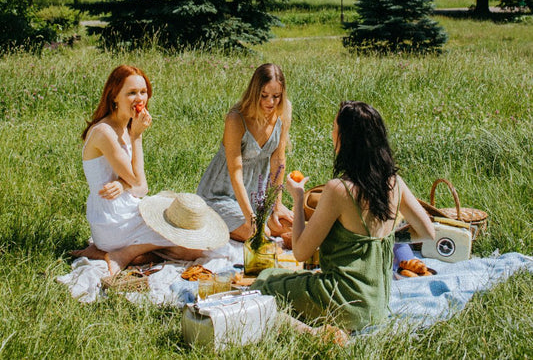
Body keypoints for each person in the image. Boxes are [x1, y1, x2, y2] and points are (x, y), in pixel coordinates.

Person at [250, 101, 436, 333]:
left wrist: (298, 199)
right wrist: (386, 237)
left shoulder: (339, 189)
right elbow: (428, 232)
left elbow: (300, 252)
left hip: (342, 302)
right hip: (377, 306)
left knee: (265, 282)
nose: (331, 132)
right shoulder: (394, 183)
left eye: (334, 127)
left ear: (346, 139)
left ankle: (315, 334)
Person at [76, 65, 228, 275]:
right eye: (131, 93)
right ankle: (123, 253)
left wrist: (122, 182)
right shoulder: (105, 132)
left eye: (143, 92)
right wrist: (137, 136)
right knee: (194, 249)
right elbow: (140, 187)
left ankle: (119, 252)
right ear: (114, 96)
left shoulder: (124, 124)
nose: (139, 99)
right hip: (113, 221)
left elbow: (134, 185)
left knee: (190, 241)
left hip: (123, 211)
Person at [197, 63, 294, 241]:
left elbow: (278, 161)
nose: (270, 102)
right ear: (254, 92)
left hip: (257, 195)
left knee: (291, 226)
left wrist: (276, 204)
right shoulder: (236, 118)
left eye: (276, 96)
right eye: (264, 96)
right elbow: (235, 173)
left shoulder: (283, 111)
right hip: (222, 195)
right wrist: (251, 218)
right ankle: (210, 222)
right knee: (259, 233)